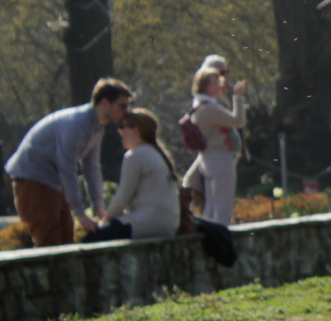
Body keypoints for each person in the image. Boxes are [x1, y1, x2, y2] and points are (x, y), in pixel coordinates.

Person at [4, 78, 133, 246]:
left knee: (66, 239)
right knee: (48, 241)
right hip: (33, 179)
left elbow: (91, 167)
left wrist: (98, 207)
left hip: (54, 183)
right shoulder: (76, 124)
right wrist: (80, 213)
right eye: (122, 106)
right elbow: (67, 169)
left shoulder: (97, 127)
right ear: (105, 103)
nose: (127, 112)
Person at [83, 109, 181, 242]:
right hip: (169, 225)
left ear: (136, 130)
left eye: (123, 127)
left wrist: (104, 220)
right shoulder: (158, 154)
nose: (120, 131)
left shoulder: (135, 155)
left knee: (90, 240)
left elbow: (123, 198)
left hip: (146, 223)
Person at [181, 59, 247, 226]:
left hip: (211, 160)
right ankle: (221, 242)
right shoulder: (208, 108)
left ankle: (211, 240)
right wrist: (238, 97)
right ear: (203, 86)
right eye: (213, 82)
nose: (218, 85)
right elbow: (238, 121)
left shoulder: (201, 105)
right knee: (222, 209)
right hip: (220, 160)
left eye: (218, 81)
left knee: (211, 208)